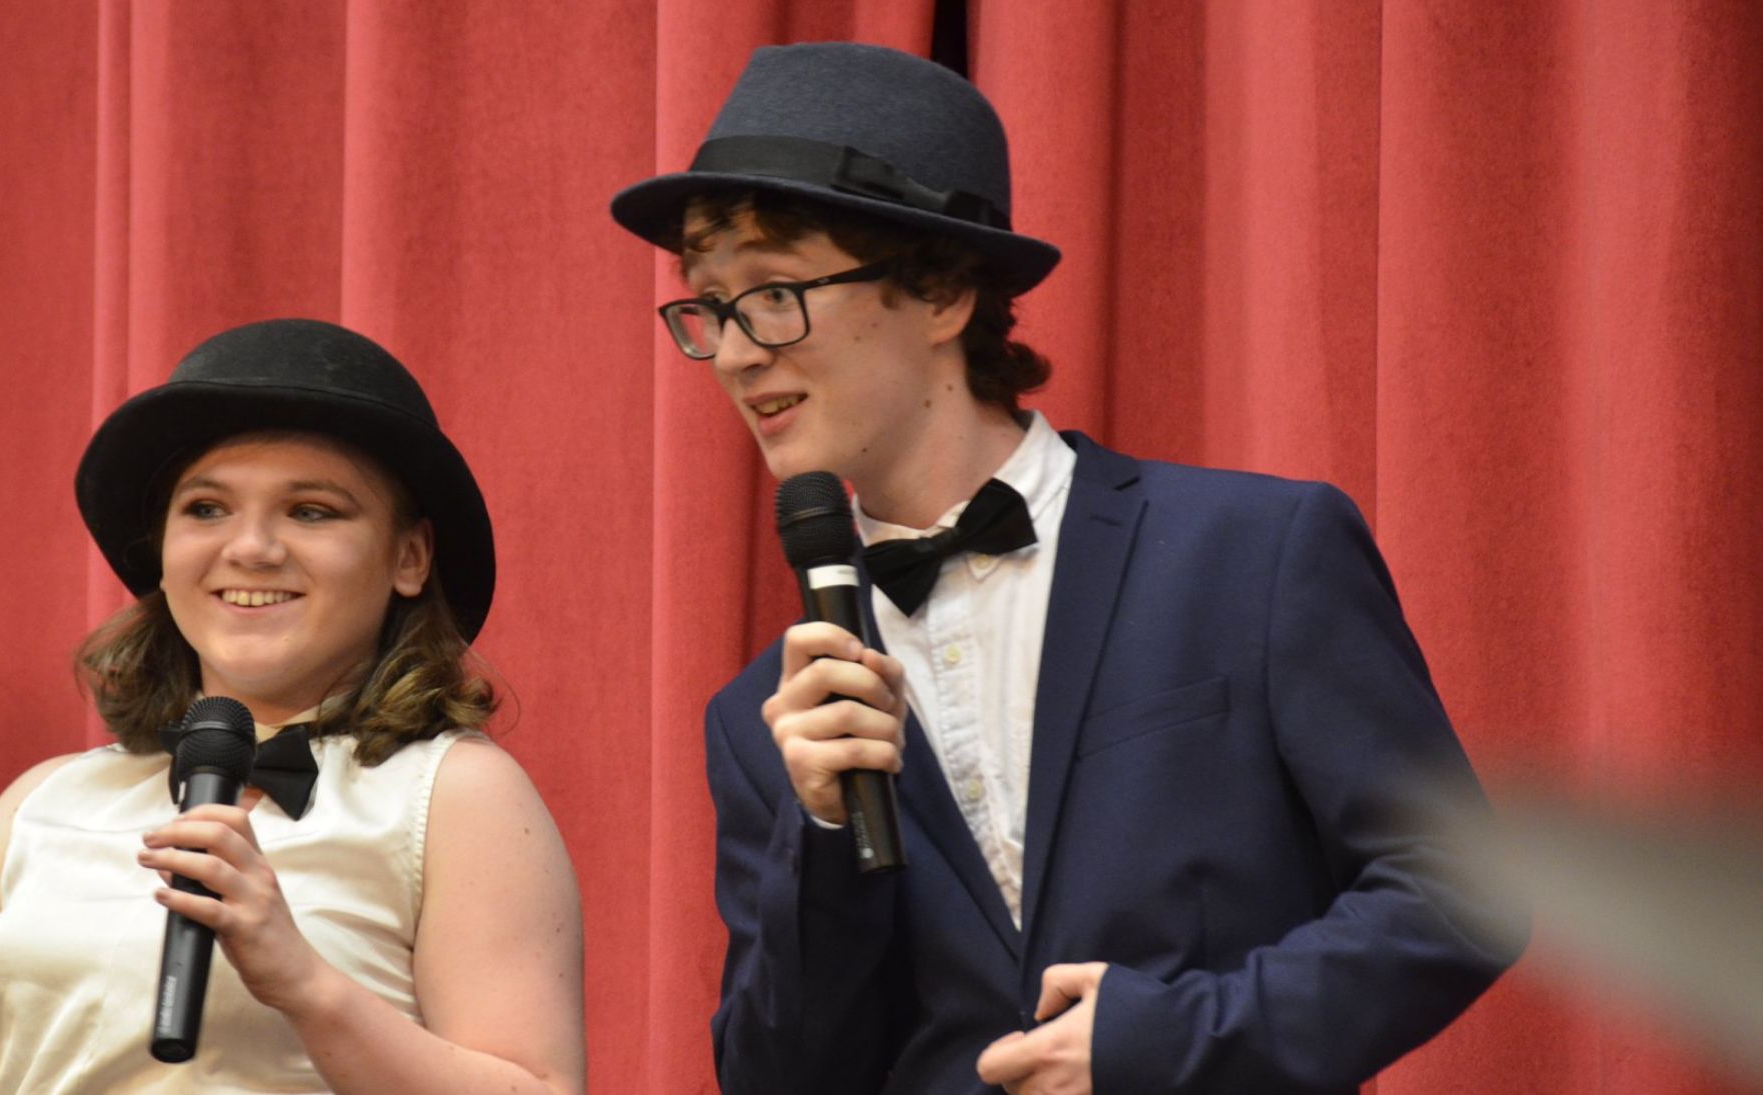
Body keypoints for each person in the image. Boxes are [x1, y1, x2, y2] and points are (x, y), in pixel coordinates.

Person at [610, 42, 1523, 1093]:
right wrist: (818, 832)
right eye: (709, 307)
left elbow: (1459, 891)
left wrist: (1173, 1040)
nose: (734, 353)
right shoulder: (764, 718)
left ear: (943, 292)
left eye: (774, 293)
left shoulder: (1253, 554)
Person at [0, 319, 585, 1094]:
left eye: (311, 510)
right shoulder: (44, 800)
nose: (250, 548)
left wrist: (306, 983)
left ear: (409, 556)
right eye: (207, 509)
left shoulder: (451, 792)